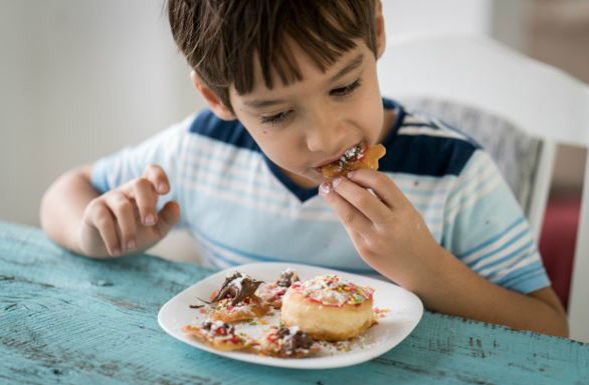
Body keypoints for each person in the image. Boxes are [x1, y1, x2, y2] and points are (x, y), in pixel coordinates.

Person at [40, 0, 568, 336]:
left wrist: (423, 267)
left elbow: (549, 328)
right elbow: (67, 190)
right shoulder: (200, 148)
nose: (327, 136)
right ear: (216, 98)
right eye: (276, 113)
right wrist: (95, 230)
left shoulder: (453, 171)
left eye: (344, 86)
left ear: (377, 33)